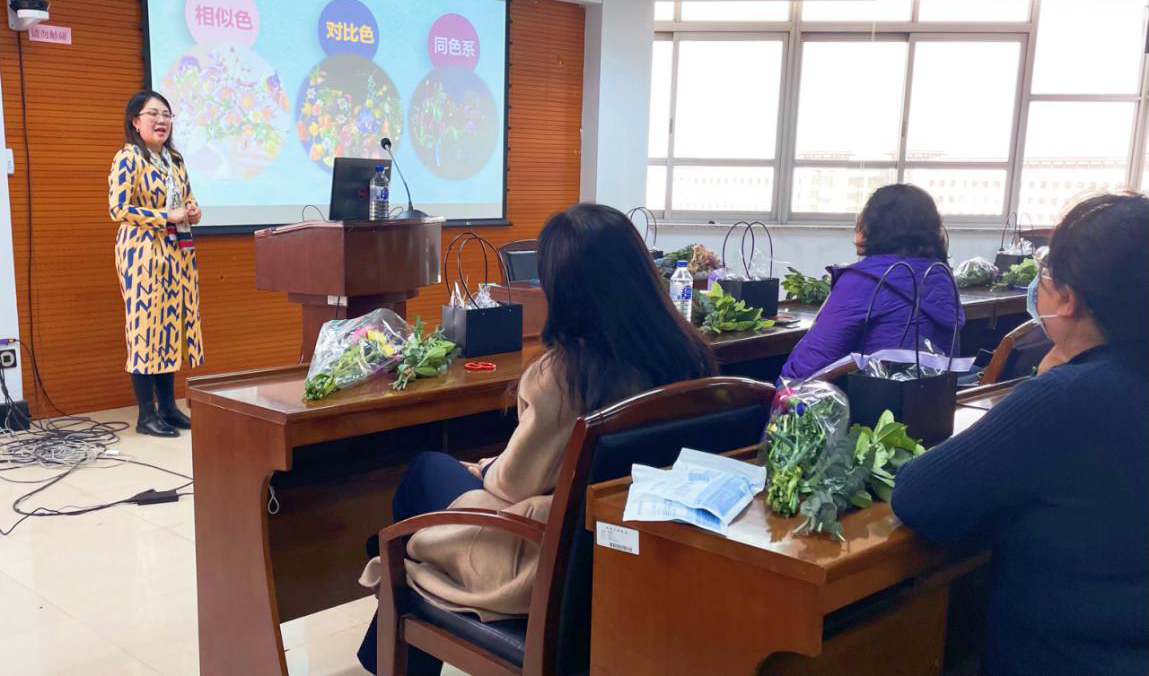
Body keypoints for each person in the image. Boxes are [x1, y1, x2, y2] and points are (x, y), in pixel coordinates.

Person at [356, 203, 717, 674]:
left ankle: (389, 654)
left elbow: (511, 484)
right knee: (427, 497)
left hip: (550, 564)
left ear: (563, 288)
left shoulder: (570, 374)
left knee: (425, 475)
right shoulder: (688, 355)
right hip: (625, 557)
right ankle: (386, 644)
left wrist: (487, 467)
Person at [892, 193, 1149, 676]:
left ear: (1068, 299)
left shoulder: (1066, 398)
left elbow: (919, 496)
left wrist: (1050, 379)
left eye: (1046, 273)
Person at [779, 184, 965, 381]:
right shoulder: (941, 277)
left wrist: (784, 389)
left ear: (875, 225)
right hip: (931, 397)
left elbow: (812, 361)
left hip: (867, 398)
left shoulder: (863, 281)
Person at [108, 91, 204, 437]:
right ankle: (146, 415)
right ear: (136, 121)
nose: (161, 120)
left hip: (176, 251)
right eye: (153, 114)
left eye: (166, 114)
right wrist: (165, 216)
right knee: (145, 330)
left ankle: (168, 408)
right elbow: (118, 209)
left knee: (168, 328)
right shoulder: (128, 157)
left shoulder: (174, 159)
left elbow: (188, 201)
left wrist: (193, 211)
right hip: (142, 254)